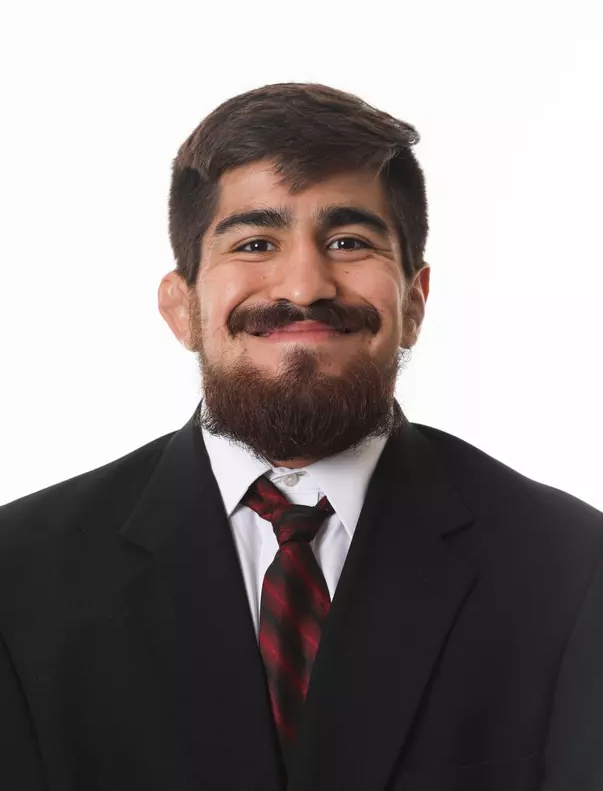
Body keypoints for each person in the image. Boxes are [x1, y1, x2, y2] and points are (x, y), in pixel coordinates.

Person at [0, 82, 601, 791]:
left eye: (348, 241)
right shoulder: (20, 577)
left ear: (413, 303)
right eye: (255, 242)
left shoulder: (570, 567)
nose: (304, 285)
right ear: (182, 306)